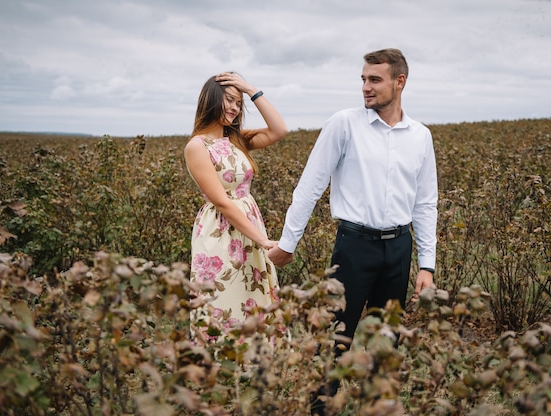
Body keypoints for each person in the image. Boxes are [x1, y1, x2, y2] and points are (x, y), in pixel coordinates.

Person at [268, 48, 437, 414]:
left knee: (385, 342)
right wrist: (287, 243)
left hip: (399, 248)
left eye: (374, 79)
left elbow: (425, 204)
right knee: (334, 341)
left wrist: (427, 265)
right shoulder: (344, 124)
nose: (365, 87)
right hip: (353, 247)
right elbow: (310, 186)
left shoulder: (420, 136)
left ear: (399, 82)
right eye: (363, 79)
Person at [185, 72, 287, 331]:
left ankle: (256, 362)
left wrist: (251, 90)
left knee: (254, 298)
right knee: (223, 299)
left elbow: (280, 129)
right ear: (211, 100)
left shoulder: (236, 139)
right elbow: (221, 202)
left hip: (249, 224)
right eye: (228, 100)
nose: (234, 107)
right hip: (220, 232)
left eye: (238, 103)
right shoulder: (197, 146)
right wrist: (262, 240)